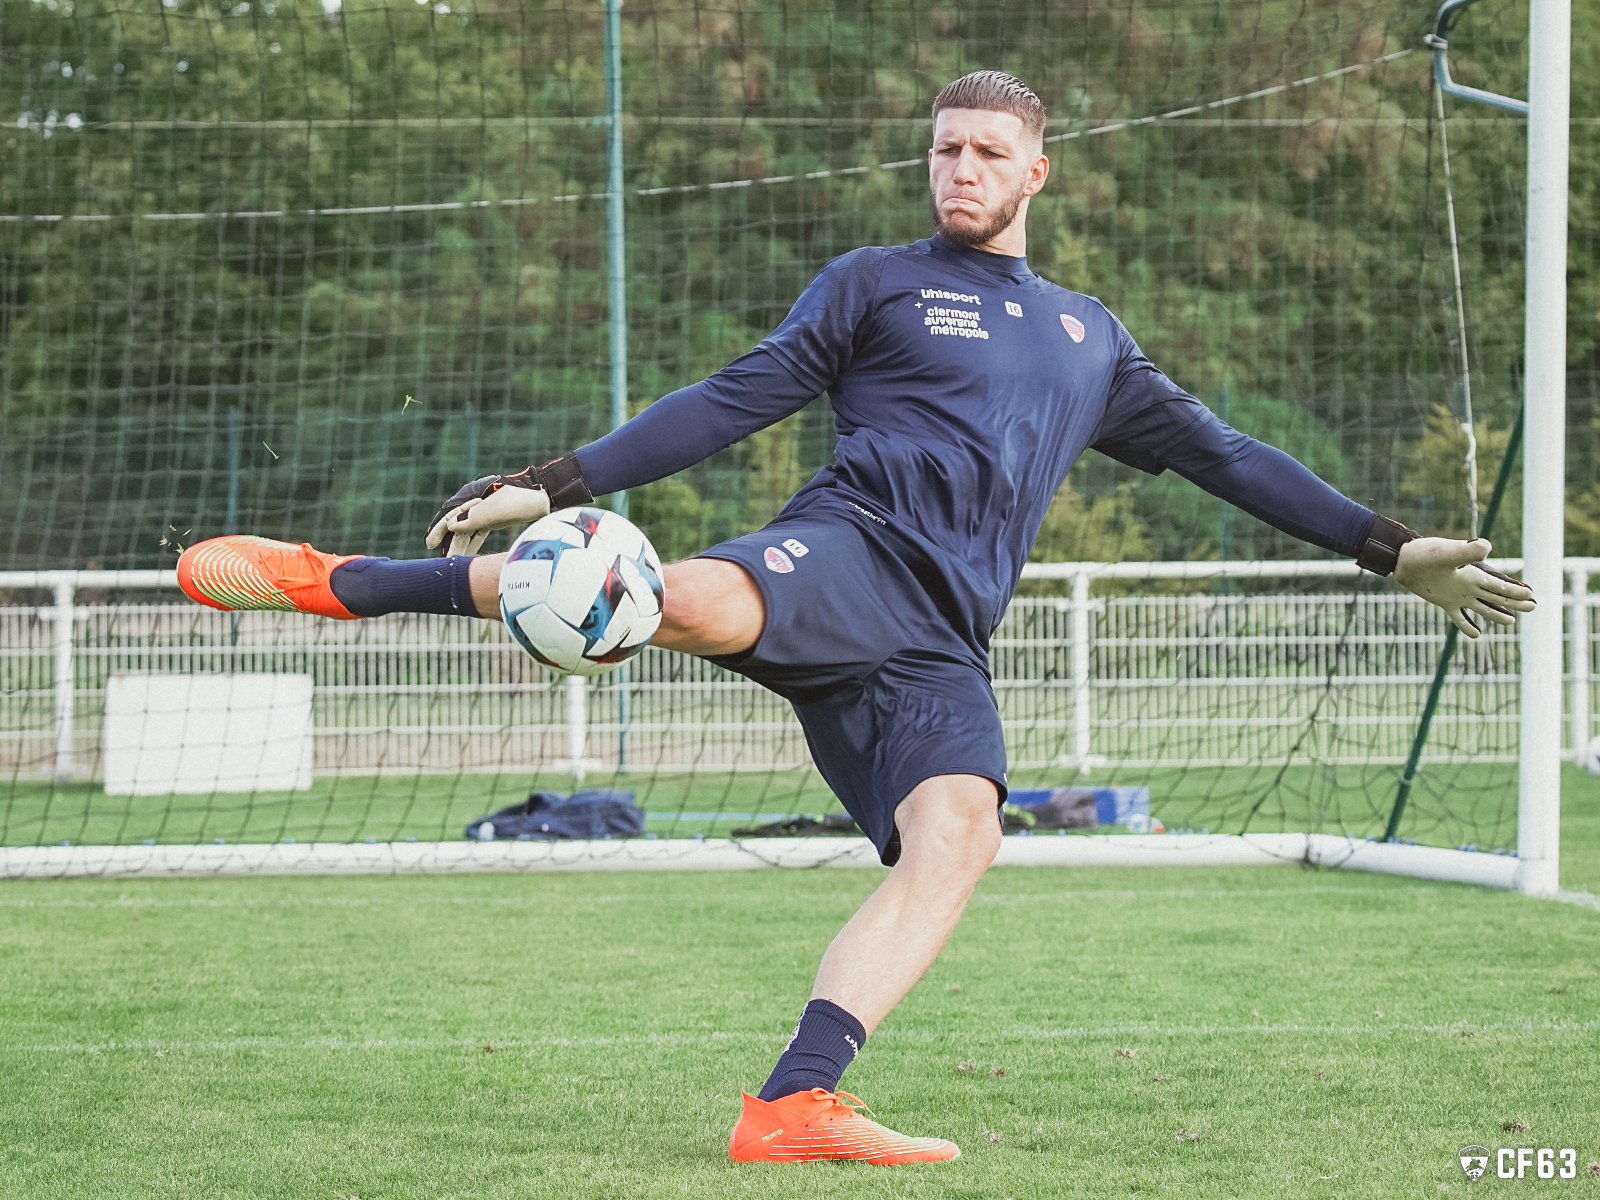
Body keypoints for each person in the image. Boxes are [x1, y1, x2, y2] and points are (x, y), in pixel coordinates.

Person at [175, 70, 1534, 1165]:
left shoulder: (1089, 340)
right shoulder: (876, 284)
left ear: (1036, 172)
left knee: (961, 834)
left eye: (987, 153)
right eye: (945, 150)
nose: (960, 171)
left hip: (945, 639)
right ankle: (340, 585)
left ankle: (794, 1103)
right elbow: (738, 394)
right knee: (656, 593)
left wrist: (1387, 544)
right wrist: (556, 481)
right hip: (847, 548)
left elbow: (1229, 456)